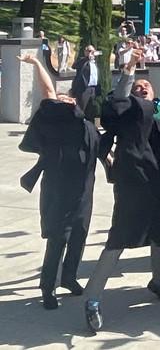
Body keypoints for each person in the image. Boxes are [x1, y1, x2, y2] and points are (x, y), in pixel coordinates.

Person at [83, 47, 160, 333]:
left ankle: (158, 281)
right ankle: (93, 299)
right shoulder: (125, 109)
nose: (143, 87)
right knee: (120, 237)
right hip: (133, 181)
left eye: (146, 84)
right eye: (139, 86)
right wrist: (130, 68)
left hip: (158, 182)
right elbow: (121, 95)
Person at [18, 54, 100, 310]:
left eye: (69, 99)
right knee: (58, 238)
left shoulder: (84, 126)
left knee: (80, 234)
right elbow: (48, 90)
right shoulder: (56, 119)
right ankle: (48, 287)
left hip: (84, 190)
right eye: (62, 99)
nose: (65, 101)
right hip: (59, 188)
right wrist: (37, 63)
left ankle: (69, 277)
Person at [70, 45, 102, 119]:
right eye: (89, 51)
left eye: (93, 51)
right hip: (84, 89)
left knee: (91, 111)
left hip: (93, 89)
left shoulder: (94, 62)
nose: (92, 53)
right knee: (81, 109)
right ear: (85, 52)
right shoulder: (83, 61)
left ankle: (90, 126)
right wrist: (87, 58)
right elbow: (74, 66)